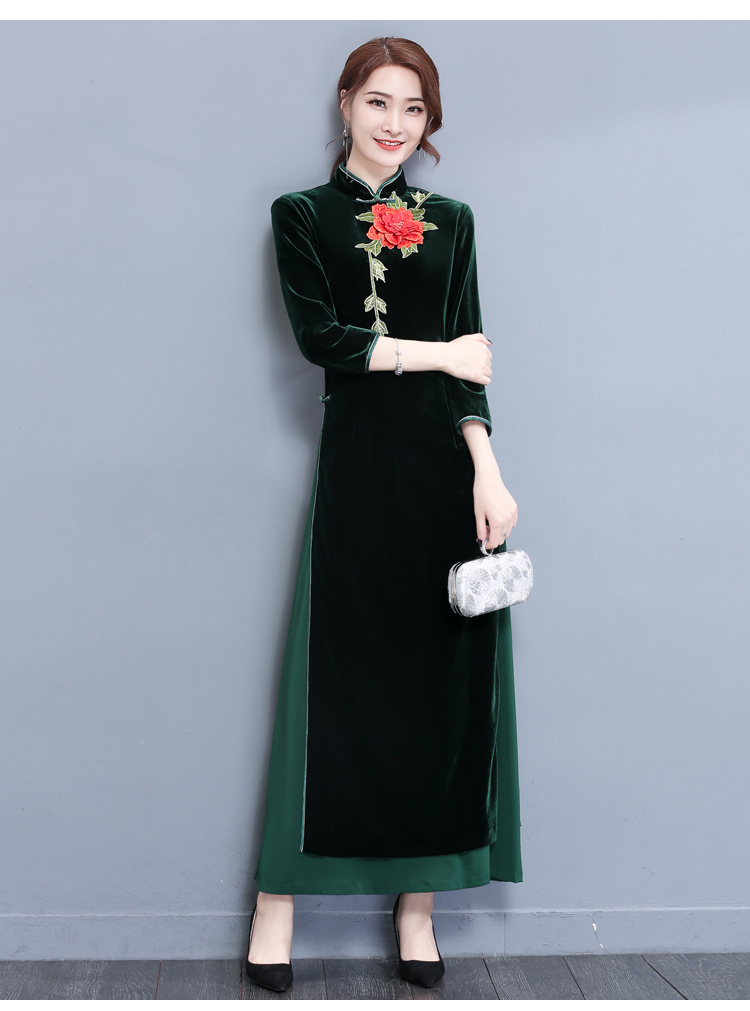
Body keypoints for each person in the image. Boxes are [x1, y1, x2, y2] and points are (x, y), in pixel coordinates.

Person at [244, 36, 523, 994]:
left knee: (438, 687)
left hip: (447, 478)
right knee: (337, 683)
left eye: (414, 109)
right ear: (345, 103)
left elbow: (473, 361)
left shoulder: (453, 221)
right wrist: (439, 354)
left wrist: (488, 470)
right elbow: (324, 339)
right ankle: (276, 904)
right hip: (360, 472)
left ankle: (418, 911)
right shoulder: (301, 214)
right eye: (378, 102)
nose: (395, 124)